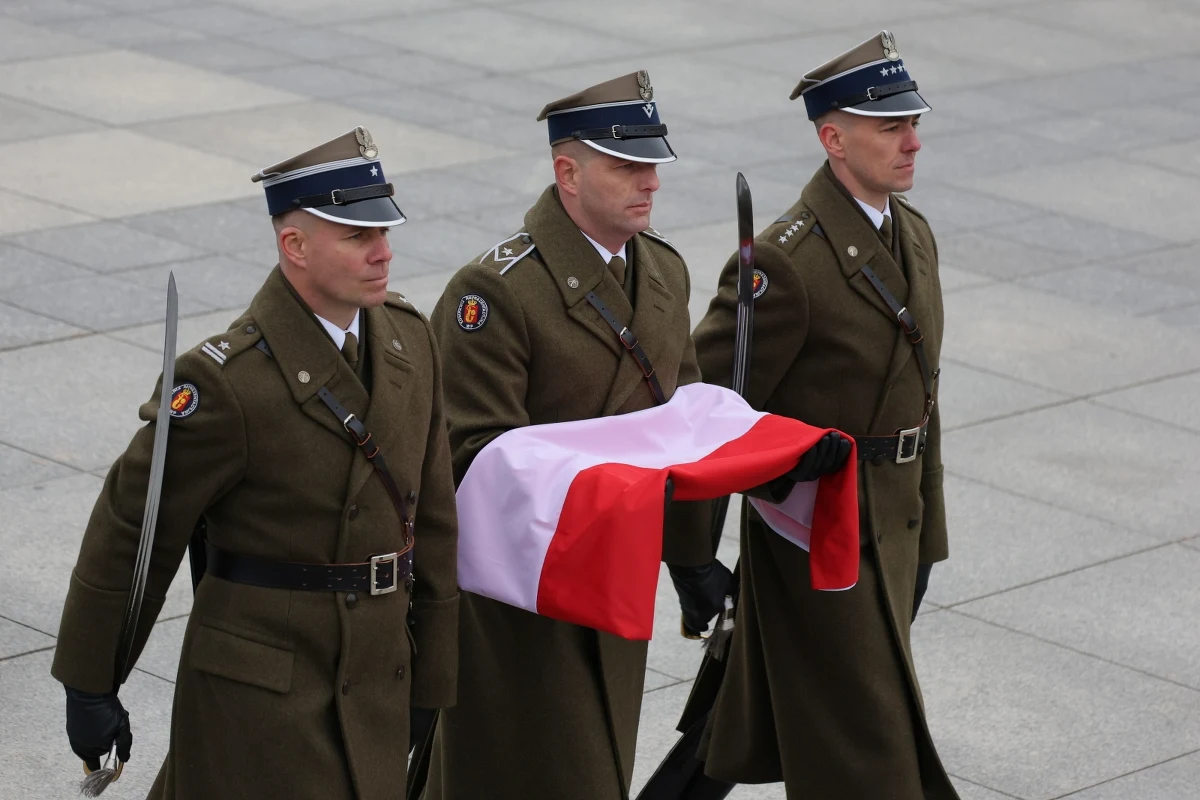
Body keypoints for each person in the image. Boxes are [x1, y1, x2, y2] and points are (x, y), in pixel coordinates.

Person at [50, 127, 460, 800]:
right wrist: (91, 681)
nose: (384, 252)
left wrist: (434, 674)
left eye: (384, 231)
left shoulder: (411, 344)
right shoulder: (225, 383)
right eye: (357, 237)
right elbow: (134, 529)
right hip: (262, 693)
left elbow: (436, 522)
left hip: (380, 676)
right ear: (293, 246)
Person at [420, 70, 739, 800]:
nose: (650, 182)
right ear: (568, 171)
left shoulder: (660, 270)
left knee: (595, 761)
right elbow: (471, 463)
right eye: (627, 165)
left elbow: (682, 425)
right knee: (523, 774)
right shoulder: (496, 291)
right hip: (522, 598)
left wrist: (689, 561)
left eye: (652, 163)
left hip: (616, 582)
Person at [689, 31, 959, 798]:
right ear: (832, 138)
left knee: (823, 721)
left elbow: (923, 397)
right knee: (869, 751)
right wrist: (694, 556)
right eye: (890, 127)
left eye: (913, 122)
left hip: (894, 526)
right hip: (819, 533)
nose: (913, 141)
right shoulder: (786, 261)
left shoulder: (912, 233)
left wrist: (928, 532)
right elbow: (707, 408)